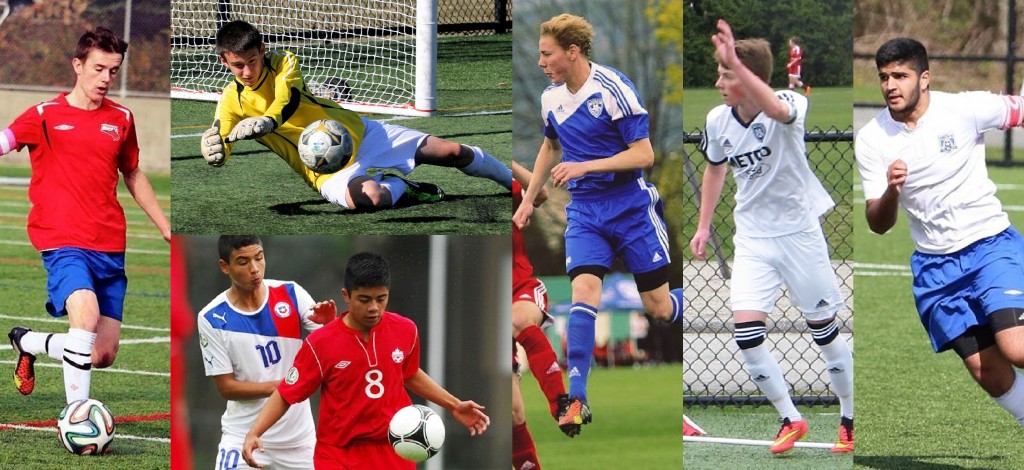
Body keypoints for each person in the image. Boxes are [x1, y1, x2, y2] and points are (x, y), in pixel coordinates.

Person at [512, 13, 685, 438]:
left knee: (659, 309)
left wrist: (584, 165)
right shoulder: (551, 97)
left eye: (546, 53)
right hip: (586, 211)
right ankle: (577, 398)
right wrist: (529, 198)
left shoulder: (613, 88)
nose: (540, 62)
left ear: (572, 52)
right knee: (583, 292)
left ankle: (689, 296)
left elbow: (644, 154)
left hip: (630, 208)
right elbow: (549, 146)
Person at [688, 20, 853, 454]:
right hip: (753, 241)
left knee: (824, 332)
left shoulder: (787, 102)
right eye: (722, 73)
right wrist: (704, 225)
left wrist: (738, 67)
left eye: (725, 74)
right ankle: (790, 418)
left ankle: (849, 418)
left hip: (799, 234)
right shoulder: (717, 119)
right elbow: (715, 168)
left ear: (749, 77)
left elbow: (778, 112)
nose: (718, 82)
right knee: (745, 333)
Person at [856, 37, 1024, 430]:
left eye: (900, 75)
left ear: (925, 77)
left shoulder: (963, 108)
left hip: (989, 248)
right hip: (936, 269)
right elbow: (878, 224)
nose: (890, 85)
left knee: (1015, 347)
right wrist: (891, 191)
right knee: (988, 372)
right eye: (884, 77)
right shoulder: (872, 139)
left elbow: (1018, 110)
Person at [3, 27, 171, 406]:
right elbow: (6, 140)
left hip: (109, 243)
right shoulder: (44, 115)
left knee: (102, 354)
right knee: (85, 317)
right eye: (98, 69)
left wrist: (165, 226)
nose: (106, 79)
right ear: (77, 65)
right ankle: (77, 418)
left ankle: (28, 342)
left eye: (113, 70)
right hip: (62, 240)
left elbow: (132, 172)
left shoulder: (123, 118)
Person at [200, 20, 512, 211]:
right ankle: (402, 187)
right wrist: (215, 152)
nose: (247, 71)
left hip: (358, 133)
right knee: (372, 199)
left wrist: (268, 122)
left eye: (252, 61)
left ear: (263, 50)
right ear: (224, 62)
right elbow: (221, 141)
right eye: (238, 65)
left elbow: (288, 98)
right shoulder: (230, 102)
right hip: (322, 168)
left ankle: (513, 184)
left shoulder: (283, 62)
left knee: (452, 151)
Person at [241, 252, 490, 469]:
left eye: (381, 299)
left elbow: (409, 373)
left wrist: (454, 404)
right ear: (346, 296)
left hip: (395, 450)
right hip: (339, 455)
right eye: (364, 299)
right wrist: (255, 432)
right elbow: (287, 393)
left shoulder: (406, 330)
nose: (374, 308)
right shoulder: (321, 343)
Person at [197, 236, 336, 469]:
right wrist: (283, 387)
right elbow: (226, 388)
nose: (254, 269)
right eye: (243, 262)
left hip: (298, 444)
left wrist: (328, 326)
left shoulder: (292, 294)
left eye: (259, 258)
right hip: (241, 436)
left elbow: (330, 354)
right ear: (225, 266)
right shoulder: (211, 317)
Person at [512, 160, 559, 470]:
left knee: (517, 319)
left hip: (521, 289)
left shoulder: (499, 183)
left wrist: (507, 164)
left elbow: (540, 193)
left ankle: (563, 404)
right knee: (512, 414)